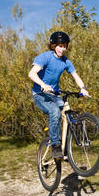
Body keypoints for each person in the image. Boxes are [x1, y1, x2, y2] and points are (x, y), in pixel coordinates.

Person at [28, 31, 89, 159]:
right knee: (55, 112)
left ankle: (68, 144)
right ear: (53, 45)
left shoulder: (66, 61)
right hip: (40, 94)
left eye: (65, 46)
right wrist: (43, 85)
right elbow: (32, 74)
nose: (63, 49)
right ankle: (55, 145)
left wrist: (83, 88)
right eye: (60, 46)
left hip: (55, 95)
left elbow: (75, 76)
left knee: (70, 114)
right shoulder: (45, 57)